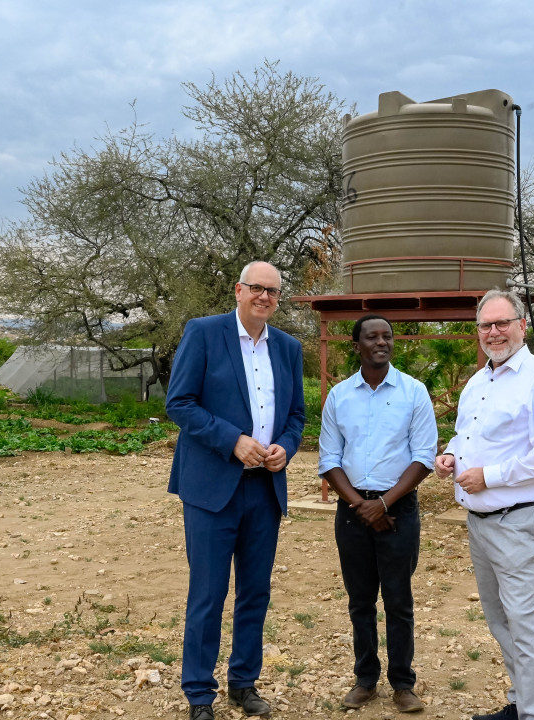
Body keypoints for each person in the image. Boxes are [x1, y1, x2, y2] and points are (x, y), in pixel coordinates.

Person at [165, 261, 306, 720]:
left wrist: (285, 446)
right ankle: (199, 694)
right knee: (208, 593)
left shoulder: (287, 347)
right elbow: (179, 403)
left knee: (255, 592)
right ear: (239, 290)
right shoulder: (204, 333)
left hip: (265, 490)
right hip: (212, 490)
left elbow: (296, 417)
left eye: (273, 292)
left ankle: (243, 683)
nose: (265, 297)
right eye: (257, 289)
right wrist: (233, 441)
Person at [433, 289, 534, 720]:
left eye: (502, 323)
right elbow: (469, 436)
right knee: (500, 620)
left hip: (521, 519)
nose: (493, 333)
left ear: (522, 325)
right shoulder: (480, 380)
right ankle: (520, 704)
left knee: (524, 621)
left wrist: (488, 477)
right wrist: (452, 455)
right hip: (482, 520)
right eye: (485, 325)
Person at [318, 314, 437, 714]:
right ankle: (365, 679)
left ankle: (403, 684)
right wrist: (362, 506)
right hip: (352, 509)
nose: (381, 342)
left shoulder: (414, 392)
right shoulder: (339, 396)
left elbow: (423, 457)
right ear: (357, 346)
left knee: (399, 600)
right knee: (360, 601)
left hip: (398, 509)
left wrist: (384, 504)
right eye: (372, 336)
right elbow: (329, 459)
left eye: (387, 336)